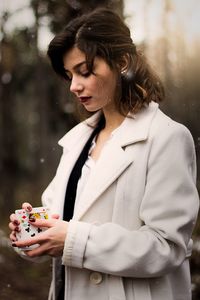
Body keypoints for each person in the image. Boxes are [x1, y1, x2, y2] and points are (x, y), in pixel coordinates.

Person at [9, 8, 199, 300]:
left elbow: (166, 247)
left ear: (122, 62)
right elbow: (63, 221)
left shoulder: (167, 138)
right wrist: (32, 230)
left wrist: (74, 241)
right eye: (70, 75)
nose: (74, 86)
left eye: (85, 71)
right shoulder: (78, 142)